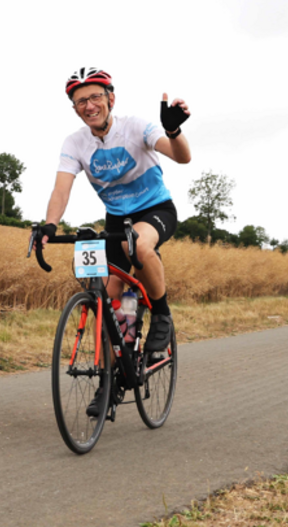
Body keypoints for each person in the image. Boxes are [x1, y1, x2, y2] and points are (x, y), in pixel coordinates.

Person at [38, 66, 192, 365]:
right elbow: (61, 190)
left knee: (139, 244)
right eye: (81, 101)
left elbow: (182, 157)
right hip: (116, 220)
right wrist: (49, 225)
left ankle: (162, 315)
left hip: (155, 209)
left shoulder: (136, 127)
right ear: (75, 109)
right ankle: (112, 378)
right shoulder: (75, 142)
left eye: (95, 97)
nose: (89, 105)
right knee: (109, 302)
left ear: (111, 100)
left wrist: (174, 131)